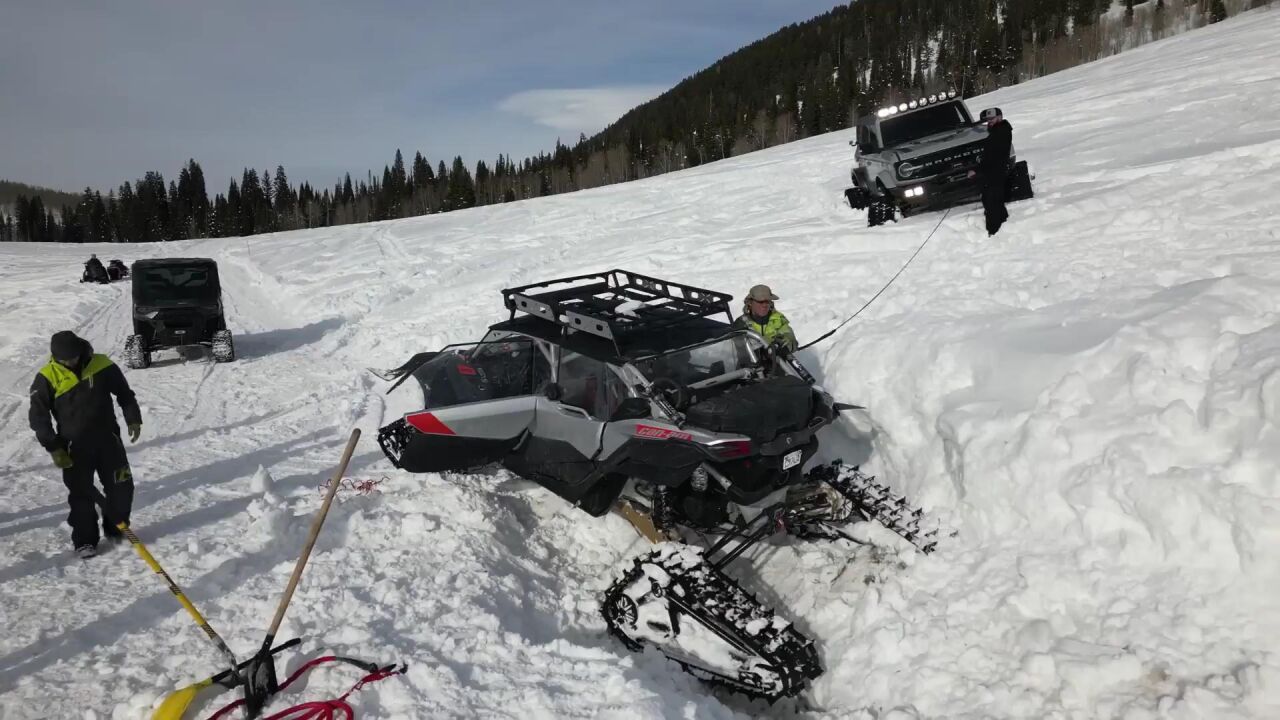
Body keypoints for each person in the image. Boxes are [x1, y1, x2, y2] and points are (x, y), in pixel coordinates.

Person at [28, 330, 143, 558]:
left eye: (72, 357)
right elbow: (38, 418)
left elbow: (124, 393)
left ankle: (115, 528)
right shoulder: (47, 377)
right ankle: (85, 540)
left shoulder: (101, 364)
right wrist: (54, 447)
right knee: (82, 495)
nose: (69, 363)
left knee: (122, 488)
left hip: (108, 440)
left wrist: (133, 418)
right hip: (74, 448)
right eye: (63, 360)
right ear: (55, 357)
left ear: (80, 350)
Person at [970, 108, 1013, 236]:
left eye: (992, 119)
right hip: (992, 172)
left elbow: (991, 156)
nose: (990, 122)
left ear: (999, 117)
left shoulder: (1001, 132)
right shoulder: (996, 132)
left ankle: (994, 231)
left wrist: (978, 171)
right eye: (988, 120)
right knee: (992, 201)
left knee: (992, 201)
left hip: (996, 172)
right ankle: (1001, 227)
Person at [733, 284, 798, 352]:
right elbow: (741, 351)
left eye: (767, 301)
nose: (764, 305)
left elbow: (790, 339)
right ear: (750, 303)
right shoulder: (741, 324)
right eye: (760, 302)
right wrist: (767, 343)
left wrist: (786, 342)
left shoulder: (778, 319)